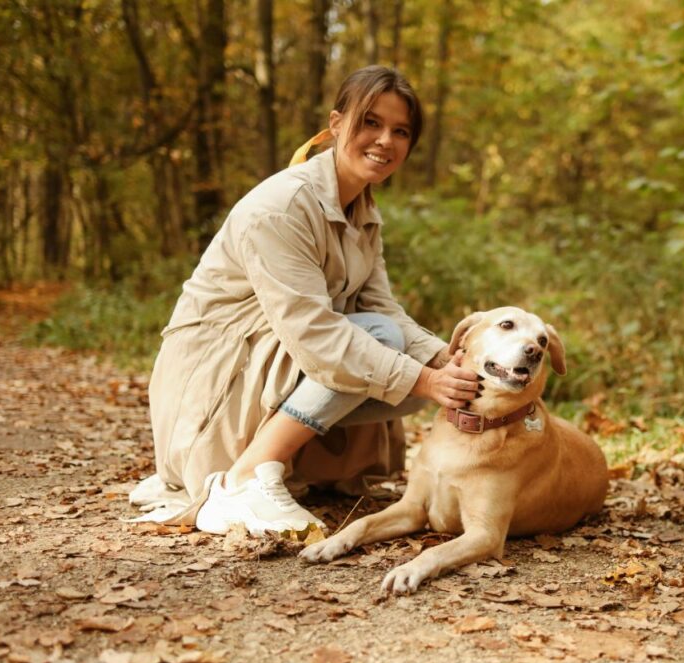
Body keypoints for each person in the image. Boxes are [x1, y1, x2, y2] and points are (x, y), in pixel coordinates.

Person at [128, 65, 481, 535]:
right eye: (371, 122)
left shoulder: (362, 211)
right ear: (336, 124)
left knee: (399, 362)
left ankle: (295, 467)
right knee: (379, 344)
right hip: (216, 375)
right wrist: (425, 379)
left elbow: (381, 305)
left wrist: (445, 359)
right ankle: (245, 477)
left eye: (401, 131)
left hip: (272, 360)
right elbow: (316, 334)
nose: (385, 140)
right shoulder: (282, 206)